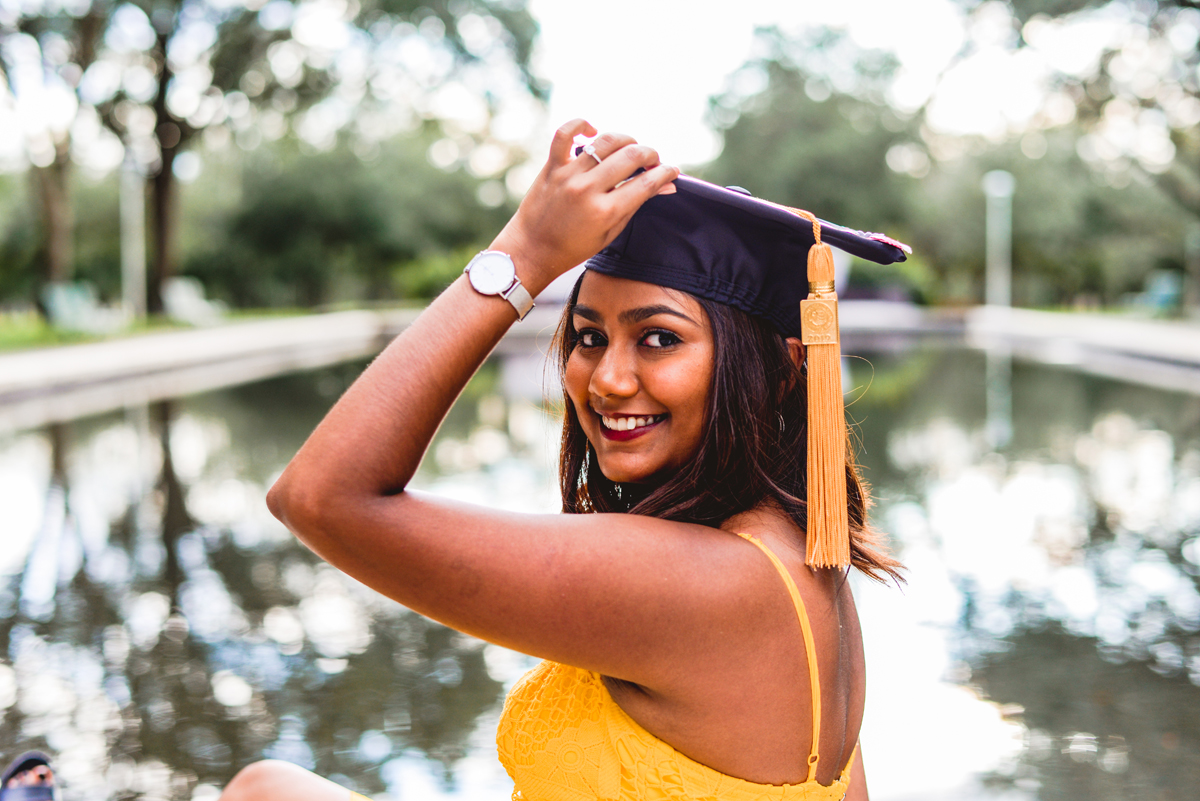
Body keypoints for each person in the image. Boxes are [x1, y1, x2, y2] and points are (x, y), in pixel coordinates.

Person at [220, 119, 906, 801]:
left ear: (783, 372)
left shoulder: (698, 583)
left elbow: (318, 496)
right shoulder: (804, 566)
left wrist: (522, 255)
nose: (606, 379)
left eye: (659, 338)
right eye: (587, 335)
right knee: (268, 786)